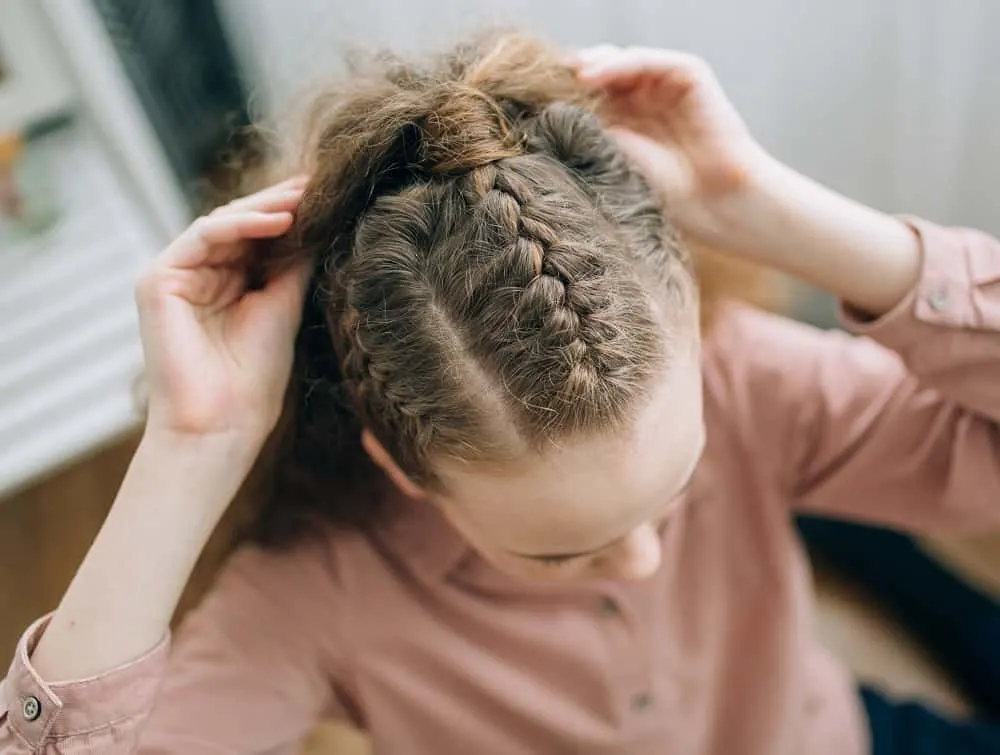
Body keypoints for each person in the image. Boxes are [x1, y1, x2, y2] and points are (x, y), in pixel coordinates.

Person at [1, 33, 998, 755]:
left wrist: (775, 212)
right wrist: (191, 445)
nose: (643, 563)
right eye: (559, 545)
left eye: (677, 488)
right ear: (399, 462)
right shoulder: (316, 593)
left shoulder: (746, 379)